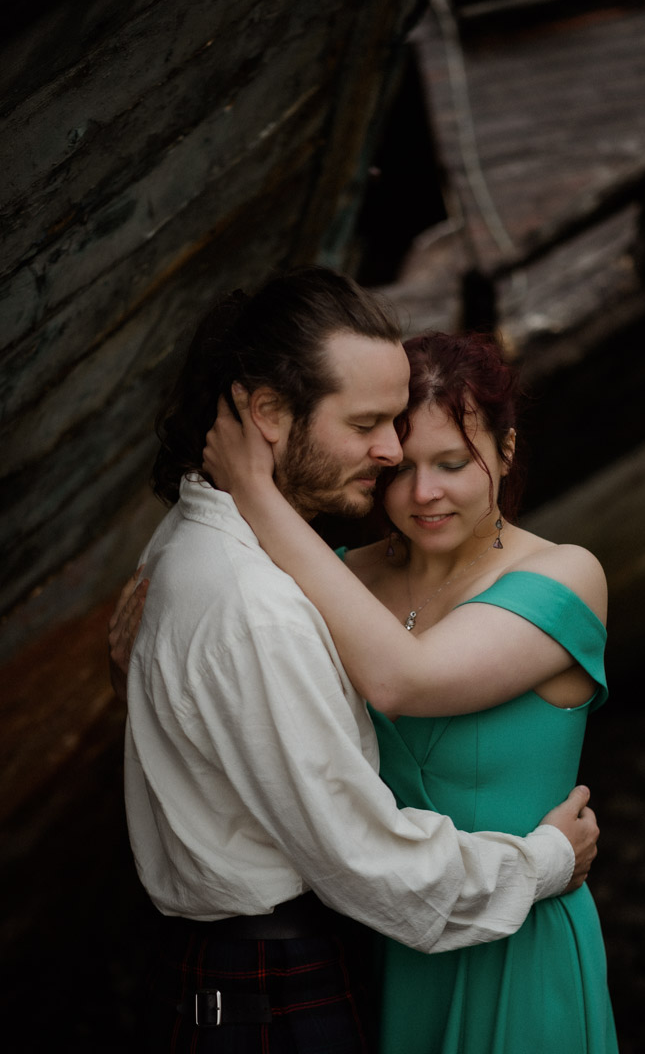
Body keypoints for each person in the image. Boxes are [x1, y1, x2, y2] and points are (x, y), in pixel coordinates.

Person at [112, 267, 599, 1053]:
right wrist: (542, 861)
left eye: (450, 461)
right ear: (268, 413)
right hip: (375, 930)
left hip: (465, 939)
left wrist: (253, 496)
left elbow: (379, 688)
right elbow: (359, 843)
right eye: (376, 432)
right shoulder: (282, 593)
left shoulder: (239, 559)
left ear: (506, 450)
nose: (399, 467)